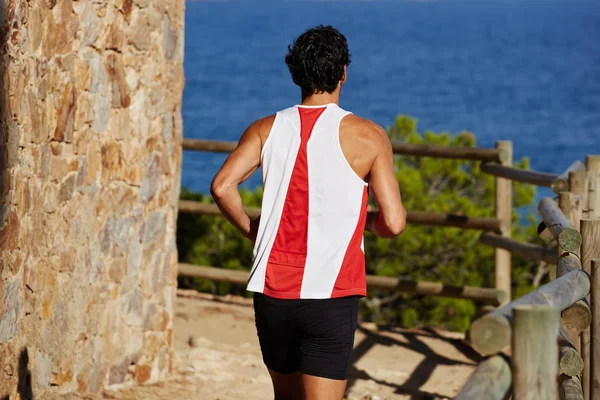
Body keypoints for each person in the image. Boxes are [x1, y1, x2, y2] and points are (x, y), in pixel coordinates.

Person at [211, 25, 407, 400]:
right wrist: (364, 225)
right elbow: (394, 223)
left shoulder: (265, 129)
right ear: (343, 72)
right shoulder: (369, 135)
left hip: (271, 292)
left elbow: (222, 186)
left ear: (295, 73)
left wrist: (253, 230)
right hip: (330, 295)